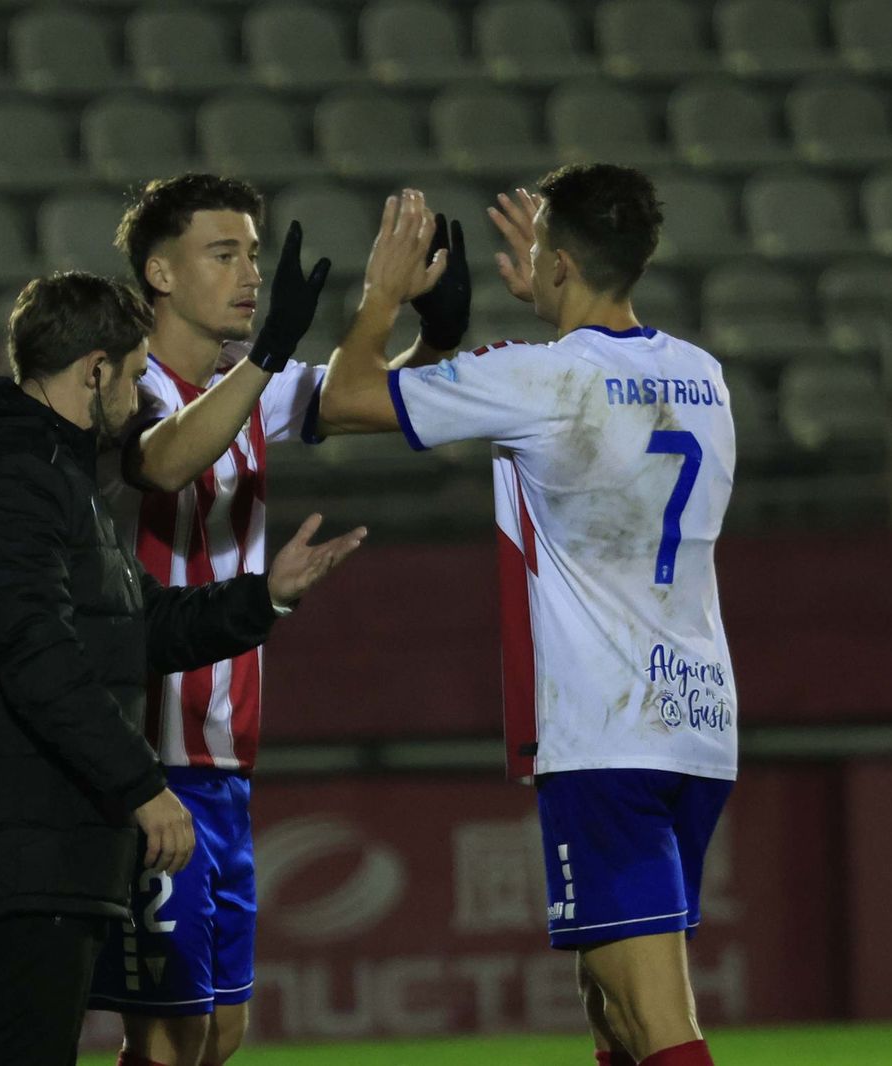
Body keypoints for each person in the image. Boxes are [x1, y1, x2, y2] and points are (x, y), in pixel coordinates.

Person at [0, 270, 365, 1066]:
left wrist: (263, 597)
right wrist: (142, 786)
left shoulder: (53, 471)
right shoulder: (14, 471)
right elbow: (37, 657)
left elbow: (137, 628)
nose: (142, 396)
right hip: (26, 837)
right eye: (136, 375)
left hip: (49, 837)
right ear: (94, 368)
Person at [318, 172, 738, 1066]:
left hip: (608, 730)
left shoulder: (542, 378)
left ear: (561, 261)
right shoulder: (702, 374)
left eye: (540, 241)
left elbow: (346, 399)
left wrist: (383, 295)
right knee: (614, 1011)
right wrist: (557, 303)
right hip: (696, 720)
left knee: (657, 1021)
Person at [83, 173, 467, 1066]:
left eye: (253, 253)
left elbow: (362, 395)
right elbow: (166, 463)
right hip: (149, 753)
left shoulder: (241, 380)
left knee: (218, 1033)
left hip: (223, 758)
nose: (250, 272)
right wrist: (276, 354)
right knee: (172, 1036)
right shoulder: (124, 384)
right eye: (224, 253)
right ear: (160, 272)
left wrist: (430, 331)